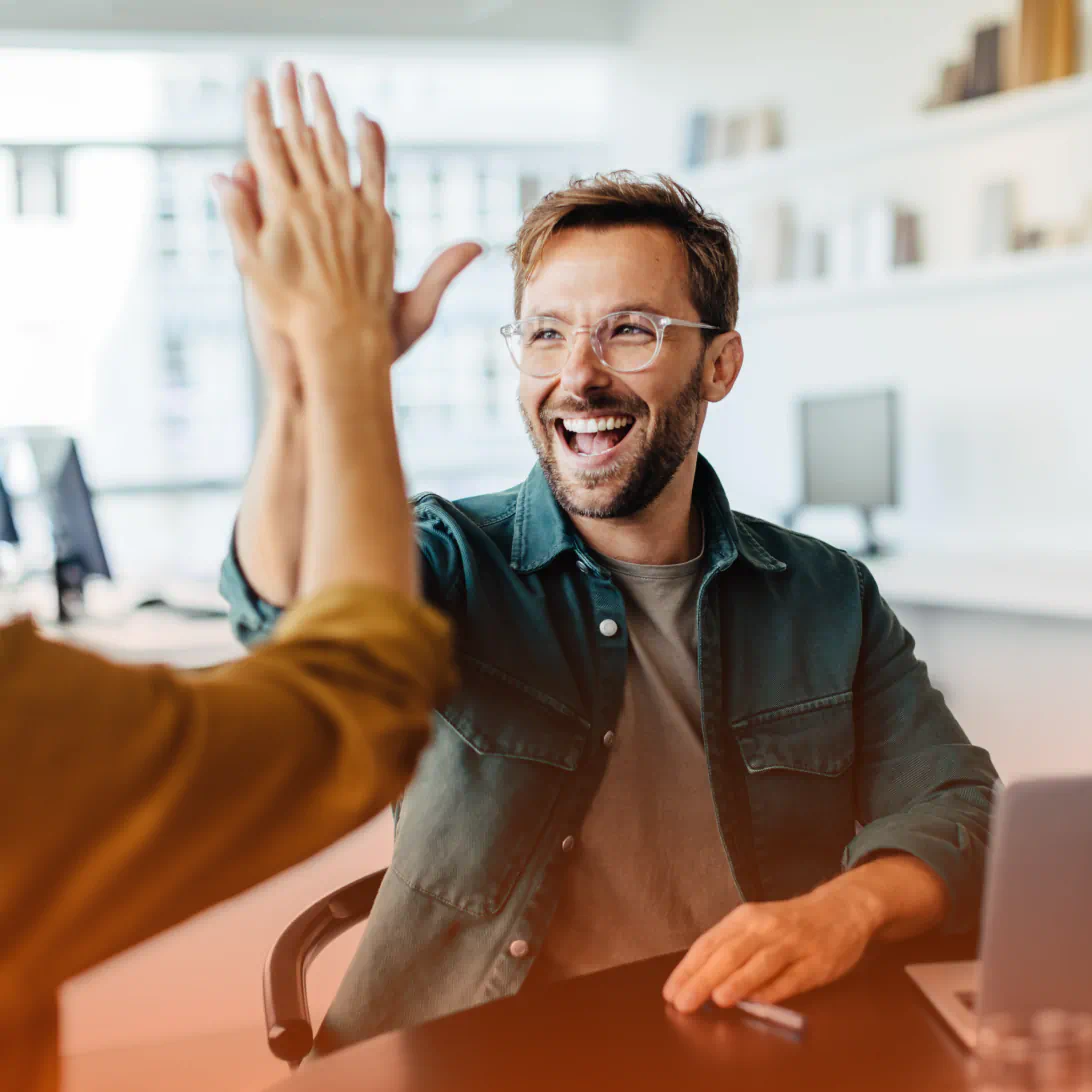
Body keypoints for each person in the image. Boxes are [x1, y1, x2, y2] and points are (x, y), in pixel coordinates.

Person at [219, 143, 999, 1054]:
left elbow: (964, 809)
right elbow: (286, 612)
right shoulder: (454, 558)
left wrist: (848, 908)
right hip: (464, 1058)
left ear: (719, 366)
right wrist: (308, 382)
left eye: (629, 330)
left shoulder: (828, 595)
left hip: (733, 1051)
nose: (579, 374)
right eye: (546, 334)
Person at [0, 68, 463, 1092]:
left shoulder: (809, 585)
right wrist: (337, 355)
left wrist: (315, 375)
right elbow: (332, 677)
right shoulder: (460, 548)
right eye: (548, 331)